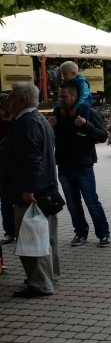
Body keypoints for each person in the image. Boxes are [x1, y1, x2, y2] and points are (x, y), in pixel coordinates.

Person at [1, 82, 60, 298]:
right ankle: (50, 277)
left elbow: (32, 160)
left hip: (32, 194)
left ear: (22, 100)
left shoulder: (25, 123)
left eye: (12, 95)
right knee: (47, 239)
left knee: (31, 240)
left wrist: (27, 190)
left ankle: (40, 284)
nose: (8, 99)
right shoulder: (40, 120)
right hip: (46, 191)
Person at [49, 81, 111, 248]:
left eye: (64, 96)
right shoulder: (58, 114)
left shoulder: (88, 112)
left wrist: (85, 124)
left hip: (83, 164)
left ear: (74, 96)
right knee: (72, 202)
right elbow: (50, 139)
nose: (61, 99)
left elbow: (102, 136)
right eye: (59, 96)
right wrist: (50, 127)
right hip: (64, 164)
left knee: (91, 201)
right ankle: (80, 232)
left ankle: (103, 234)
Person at [53, 62, 92, 136]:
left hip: (85, 100)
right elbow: (61, 96)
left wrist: (75, 107)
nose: (63, 76)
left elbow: (83, 95)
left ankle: (83, 128)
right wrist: (61, 107)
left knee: (84, 108)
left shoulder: (82, 83)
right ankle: (56, 128)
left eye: (65, 74)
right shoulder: (66, 82)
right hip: (73, 102)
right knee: (57, 108)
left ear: (73, 73)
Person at [0, 95, 16, 245]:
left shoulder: (16, 121)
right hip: (1, 166)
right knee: (4, 200)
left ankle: (21, 230)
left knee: (18, 200)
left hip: (15, 165)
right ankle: (9, 232)